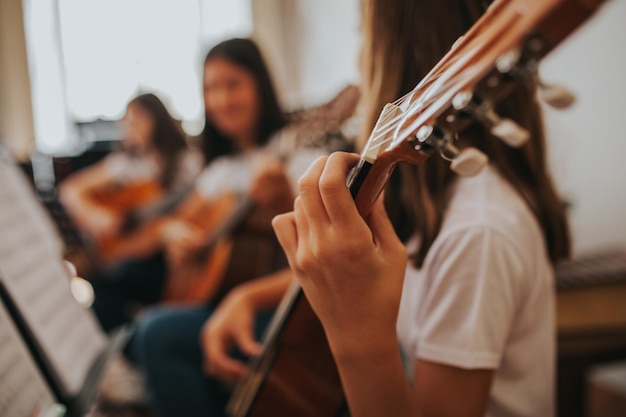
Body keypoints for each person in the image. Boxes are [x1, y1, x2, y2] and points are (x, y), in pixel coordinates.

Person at [272, 1, 571, 417]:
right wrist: (255, 296)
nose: (356, 60)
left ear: (398, 56)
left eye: (362, 34)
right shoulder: (423, 203)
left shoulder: (476, 232)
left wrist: (356, 336)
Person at [125, 38, 336, 417]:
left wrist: (282, 200)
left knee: (154, 333)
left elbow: (325, 253)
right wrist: (172, 234)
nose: (221, 99)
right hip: (220, 298)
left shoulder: (299, 153)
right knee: (138, 329)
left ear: (260, 85)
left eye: (232, 84)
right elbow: (174, 222)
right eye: (211, 88)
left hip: (283, 305)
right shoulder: (219, 169)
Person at [59, 93, 203, 331]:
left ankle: (133, 342)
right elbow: (70, 190)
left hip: (169, 252)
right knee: (100, 283)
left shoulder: (185, 161)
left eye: (137, 120)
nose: (129, 128)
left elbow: (189, 210)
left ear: (157, 120)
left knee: (109, 283)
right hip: (134, 250)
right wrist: (97, 216)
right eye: (127, 122)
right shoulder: (125, 163)